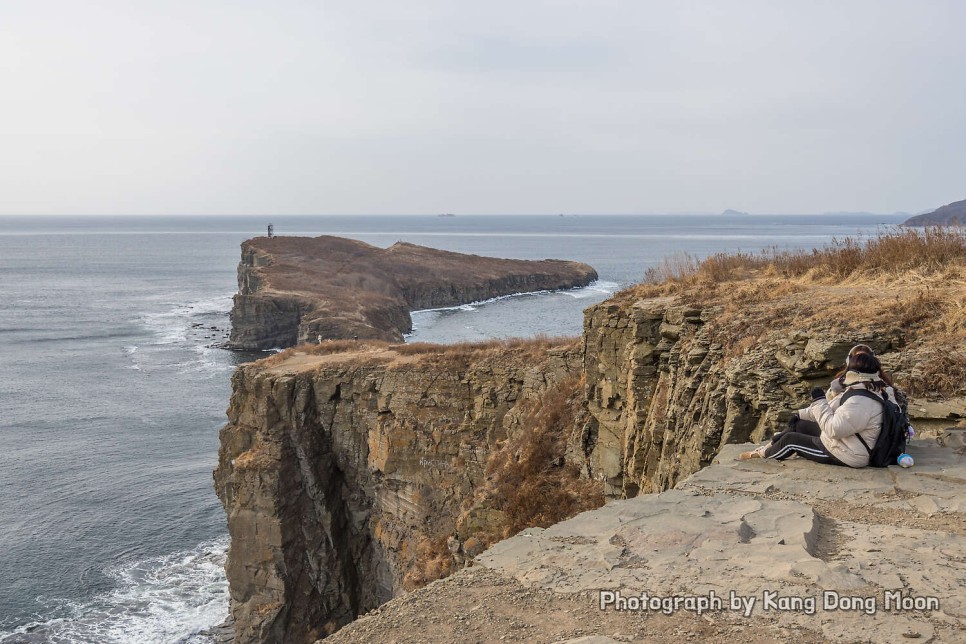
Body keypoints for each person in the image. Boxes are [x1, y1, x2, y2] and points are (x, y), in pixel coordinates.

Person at [739, 352, 892, 467]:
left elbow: (834, 429)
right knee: (799, 425)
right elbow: (831, 408)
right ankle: (768, 448)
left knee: (790, 440)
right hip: (846, 442)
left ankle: (763, 457)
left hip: (849, 454)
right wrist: (800, 414)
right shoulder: (861, 389)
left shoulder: (861, 401)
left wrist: (819, 401)